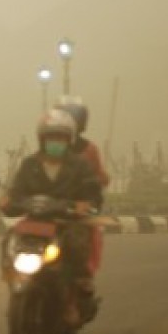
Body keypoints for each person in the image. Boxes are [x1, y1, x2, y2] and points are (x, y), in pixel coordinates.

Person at [0, 108, 103, 325]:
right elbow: (17, 192)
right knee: (8, 240)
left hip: (65, 223)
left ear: (69, 139)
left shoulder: (79, 166)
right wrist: (8, 201)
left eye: (60, 137)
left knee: (76, 242)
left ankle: (73, 299)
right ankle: (13, 280)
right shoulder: (30, 165)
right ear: (42, 139)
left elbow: (93, 193)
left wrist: (85, 204)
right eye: (51, 137)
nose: (55, 141)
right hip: (35, 223)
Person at [55, 97, 109, 277]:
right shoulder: (50, 147)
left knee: (86, 237)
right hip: (52, 206)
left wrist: (87, 200)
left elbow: (99, 179)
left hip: (77, 209)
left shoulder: (89, 149)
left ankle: (83, 278)